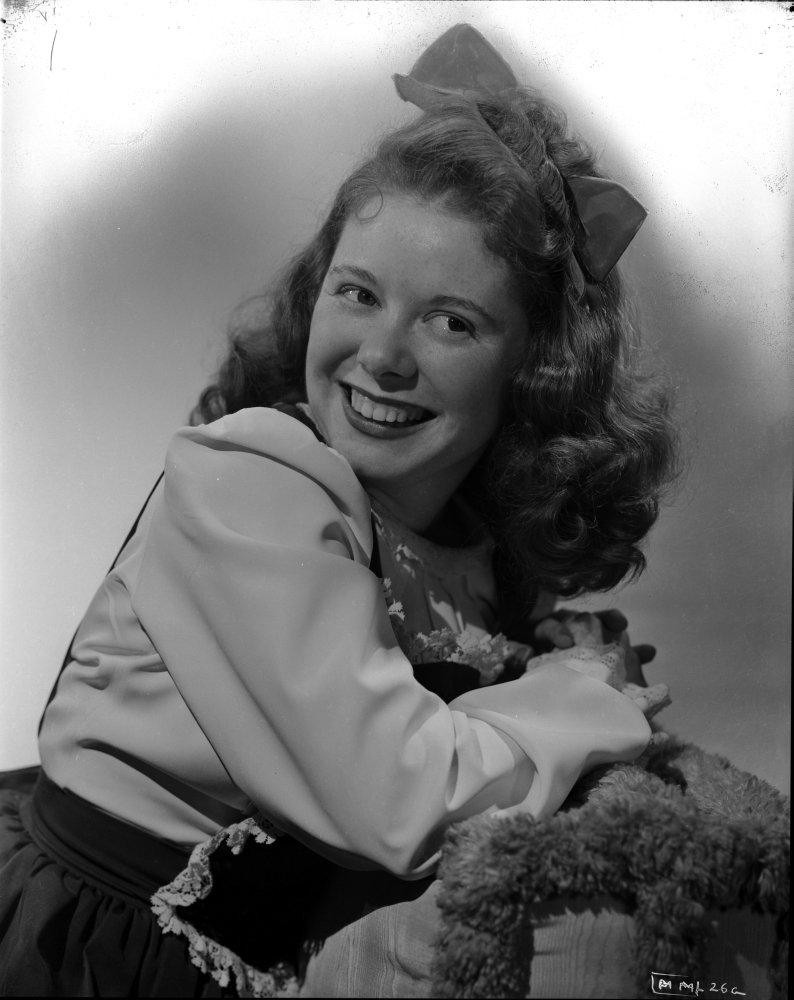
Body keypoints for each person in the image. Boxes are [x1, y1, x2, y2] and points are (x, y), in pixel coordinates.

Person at [0, 24, 676, 999]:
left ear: (536, 369)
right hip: (102, 954)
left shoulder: (467, 545)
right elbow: (395, 801)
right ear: (315, 294)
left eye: (451, 321)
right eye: (358, 293)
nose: (384, 356)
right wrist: (584, 695)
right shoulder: (254, 480)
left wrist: (553, 668)